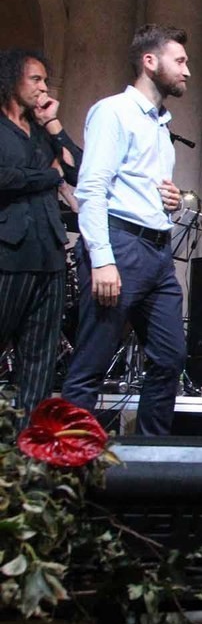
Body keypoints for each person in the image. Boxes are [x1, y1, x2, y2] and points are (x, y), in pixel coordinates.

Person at [62, 25, 189, 436]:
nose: (188, 71)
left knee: (170, 358)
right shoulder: (113, 111)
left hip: (157, 253)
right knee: (91, 364)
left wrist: (168, 203)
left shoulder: (161, 127)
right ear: (150, 62)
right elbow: (92, 188)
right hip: (120, 245)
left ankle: (151, 462)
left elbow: (138, 186)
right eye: (181, 61)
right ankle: (69, 471)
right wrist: (102, 259)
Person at [0, 49, 82, 421]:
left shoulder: (40, 131)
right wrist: (51, 176)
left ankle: (24, 457)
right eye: (36, 79)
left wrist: (54, 125)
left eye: (46, 80)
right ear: (12, 79)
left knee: (39, 360)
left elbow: (79, 171)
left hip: (49, 254)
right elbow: (6, 178)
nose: (43, 87)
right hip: (8, 253)